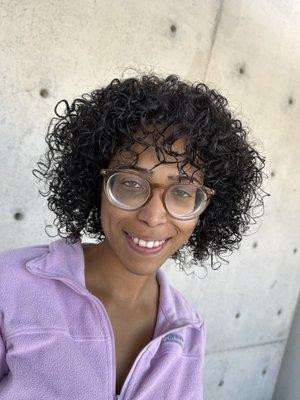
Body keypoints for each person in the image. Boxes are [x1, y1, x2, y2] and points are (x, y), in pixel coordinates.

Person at [0, 74, 267, 399]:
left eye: (182, 192)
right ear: (97, 185)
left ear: (205, 209)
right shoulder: (10, 287)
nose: (153, 217)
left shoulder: (187, 328)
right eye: (129, 183)